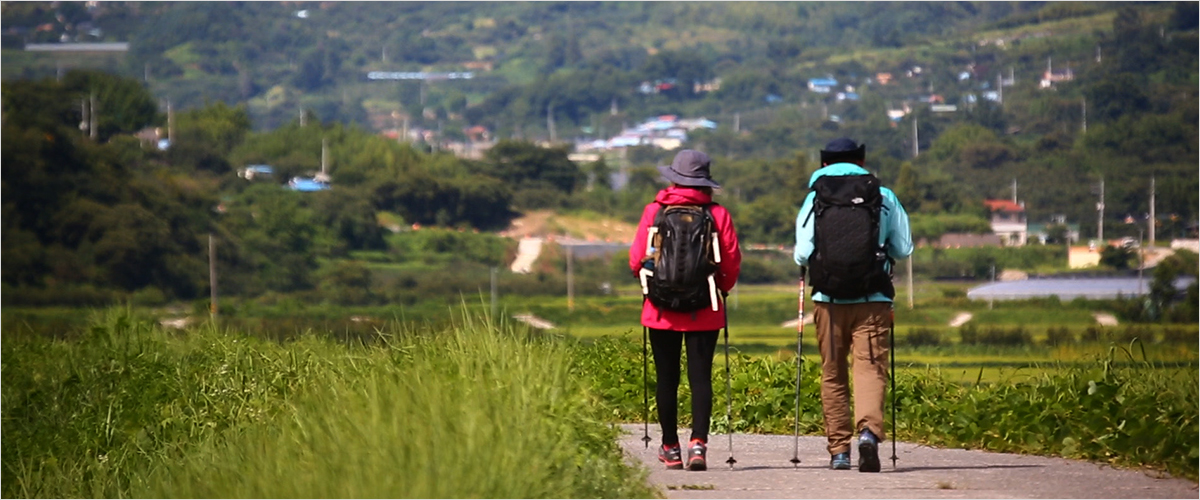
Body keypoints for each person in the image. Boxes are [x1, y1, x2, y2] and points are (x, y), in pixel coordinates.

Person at [793, 138, 912, 472]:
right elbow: (903, 249)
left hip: (828, 301)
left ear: (824, 163)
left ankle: (839, 451)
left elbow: (802, 253)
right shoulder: (883, 196)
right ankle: (868, 435)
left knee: (833, 373)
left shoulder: (815, 197)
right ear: (861, 160)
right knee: (870, 368)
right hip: (873, 298)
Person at [629, 149, 741, 471]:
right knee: (700, 379)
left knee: (667, 380)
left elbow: (637, 259)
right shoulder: (718, 215)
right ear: (705, 181)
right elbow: (730, 262)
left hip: (659, 310)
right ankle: (698, 445)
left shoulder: (654, 211)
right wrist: (721, 288)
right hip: (705, 307)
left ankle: (670, 448)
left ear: (674, 178)